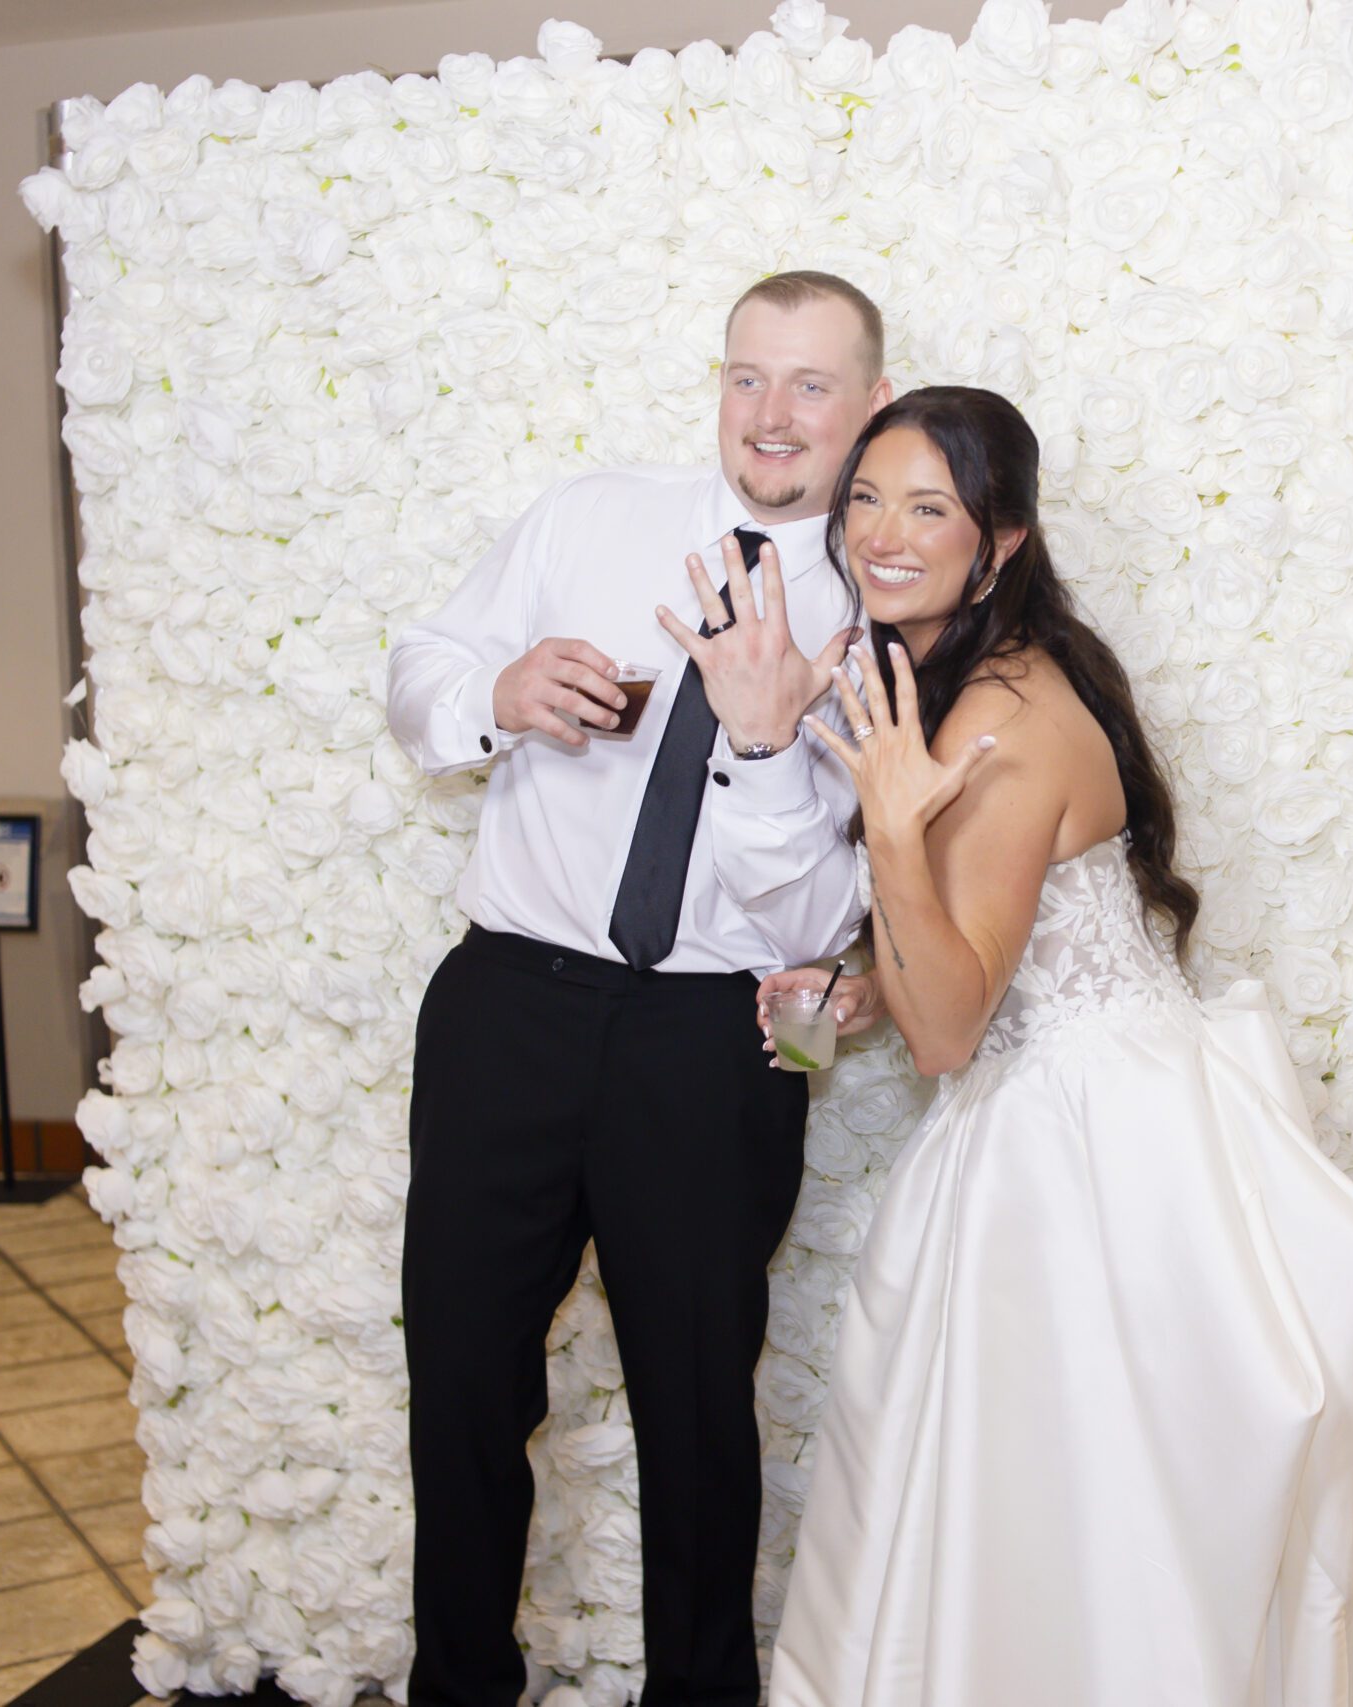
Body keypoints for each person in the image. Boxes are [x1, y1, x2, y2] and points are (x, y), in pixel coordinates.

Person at [759, 387, 1353, 1704]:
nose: (882, 536)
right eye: (866, 500)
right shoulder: (984, 674)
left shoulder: (1001, 720)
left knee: (1086, 1507)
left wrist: (890, 831)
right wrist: (861, 987)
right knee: (1066, 1499)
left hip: (1085, 1151)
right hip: (1091, 1099)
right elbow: (971, 955)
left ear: (1001, 540)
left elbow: (950, 1030)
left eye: (927, 508)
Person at [385, 271, 892, 1707]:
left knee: (697, 1404)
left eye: (810, 385)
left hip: (721, 1037)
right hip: (506, 1006)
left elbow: (824, 918)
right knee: (463, 1381)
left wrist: (767, 739)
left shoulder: (890, 606)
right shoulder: (588, 517)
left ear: (873, 403)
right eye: (747, 377)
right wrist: (496, 698)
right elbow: (421, 667)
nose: (771, 415)